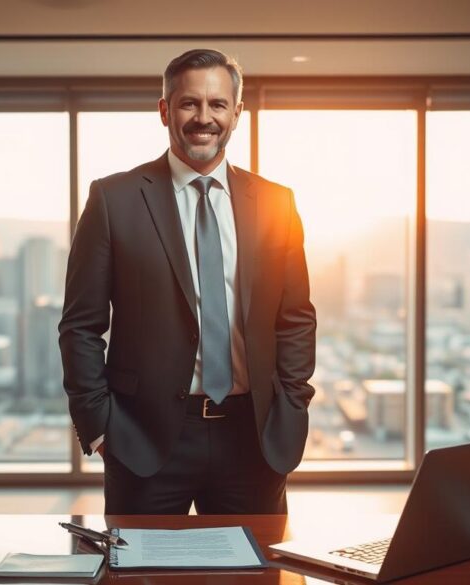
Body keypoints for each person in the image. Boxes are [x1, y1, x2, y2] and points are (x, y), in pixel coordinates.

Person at [59, 48, 316, 514]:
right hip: (144, 441)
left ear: (237, 114)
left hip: (252, 439)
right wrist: (98, 425)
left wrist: (293, 407)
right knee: (139, 578)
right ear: (164, 110)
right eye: (188, 103)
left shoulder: (278, 203)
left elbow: (295, 317)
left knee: (256, 578)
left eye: (218, 104)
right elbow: (80, 326)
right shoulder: (113, 200)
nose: (204, 117)